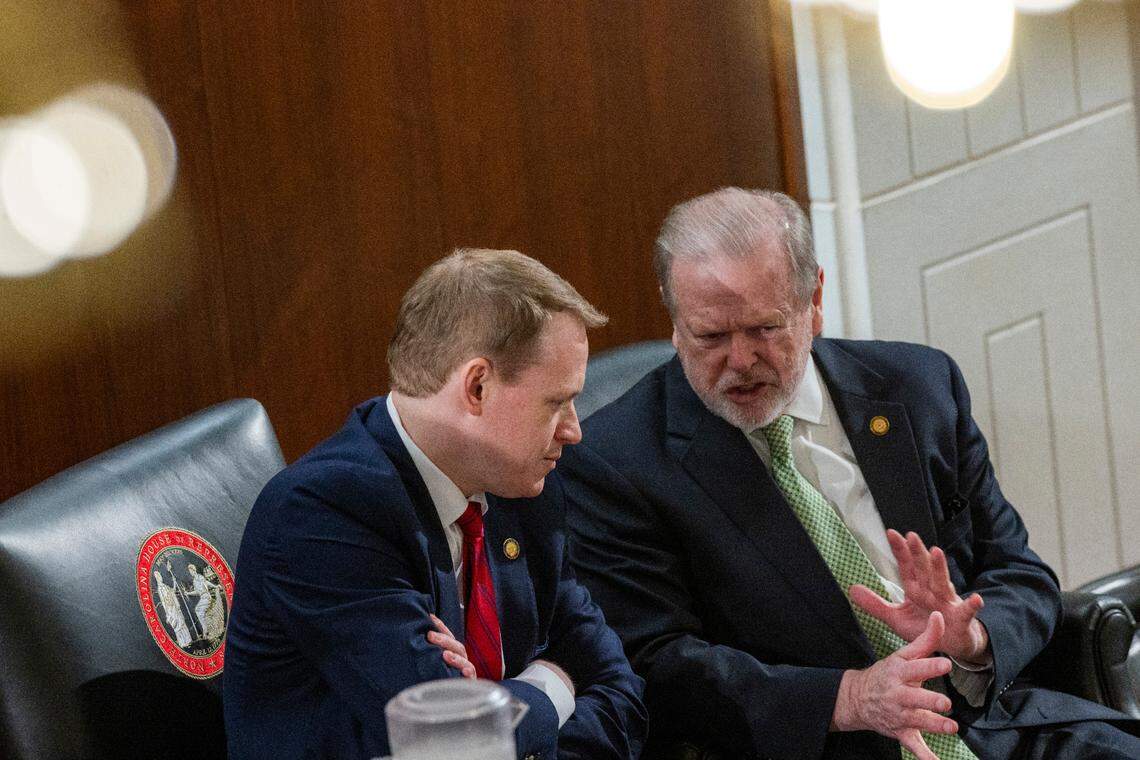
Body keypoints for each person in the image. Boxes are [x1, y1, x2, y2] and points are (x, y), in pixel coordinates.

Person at [560, 188, 1140, 759]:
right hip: (828, 745)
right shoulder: (616, 460)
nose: (739, 362)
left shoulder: (919, 387)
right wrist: (851, 697)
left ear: (812, 299)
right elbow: (657, 664)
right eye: (710, 336)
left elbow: (1017, 570)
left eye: (764, 328)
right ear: (674, 315)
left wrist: (970, 639)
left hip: (990, 725)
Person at [224, 248, 646, 760]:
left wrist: (507, 712)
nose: (574, 430)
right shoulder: (323, 511)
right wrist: (555, 685)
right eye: (556, 402)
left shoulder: (523, 488)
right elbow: (454, 739)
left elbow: (617, 686)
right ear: (477, 387)